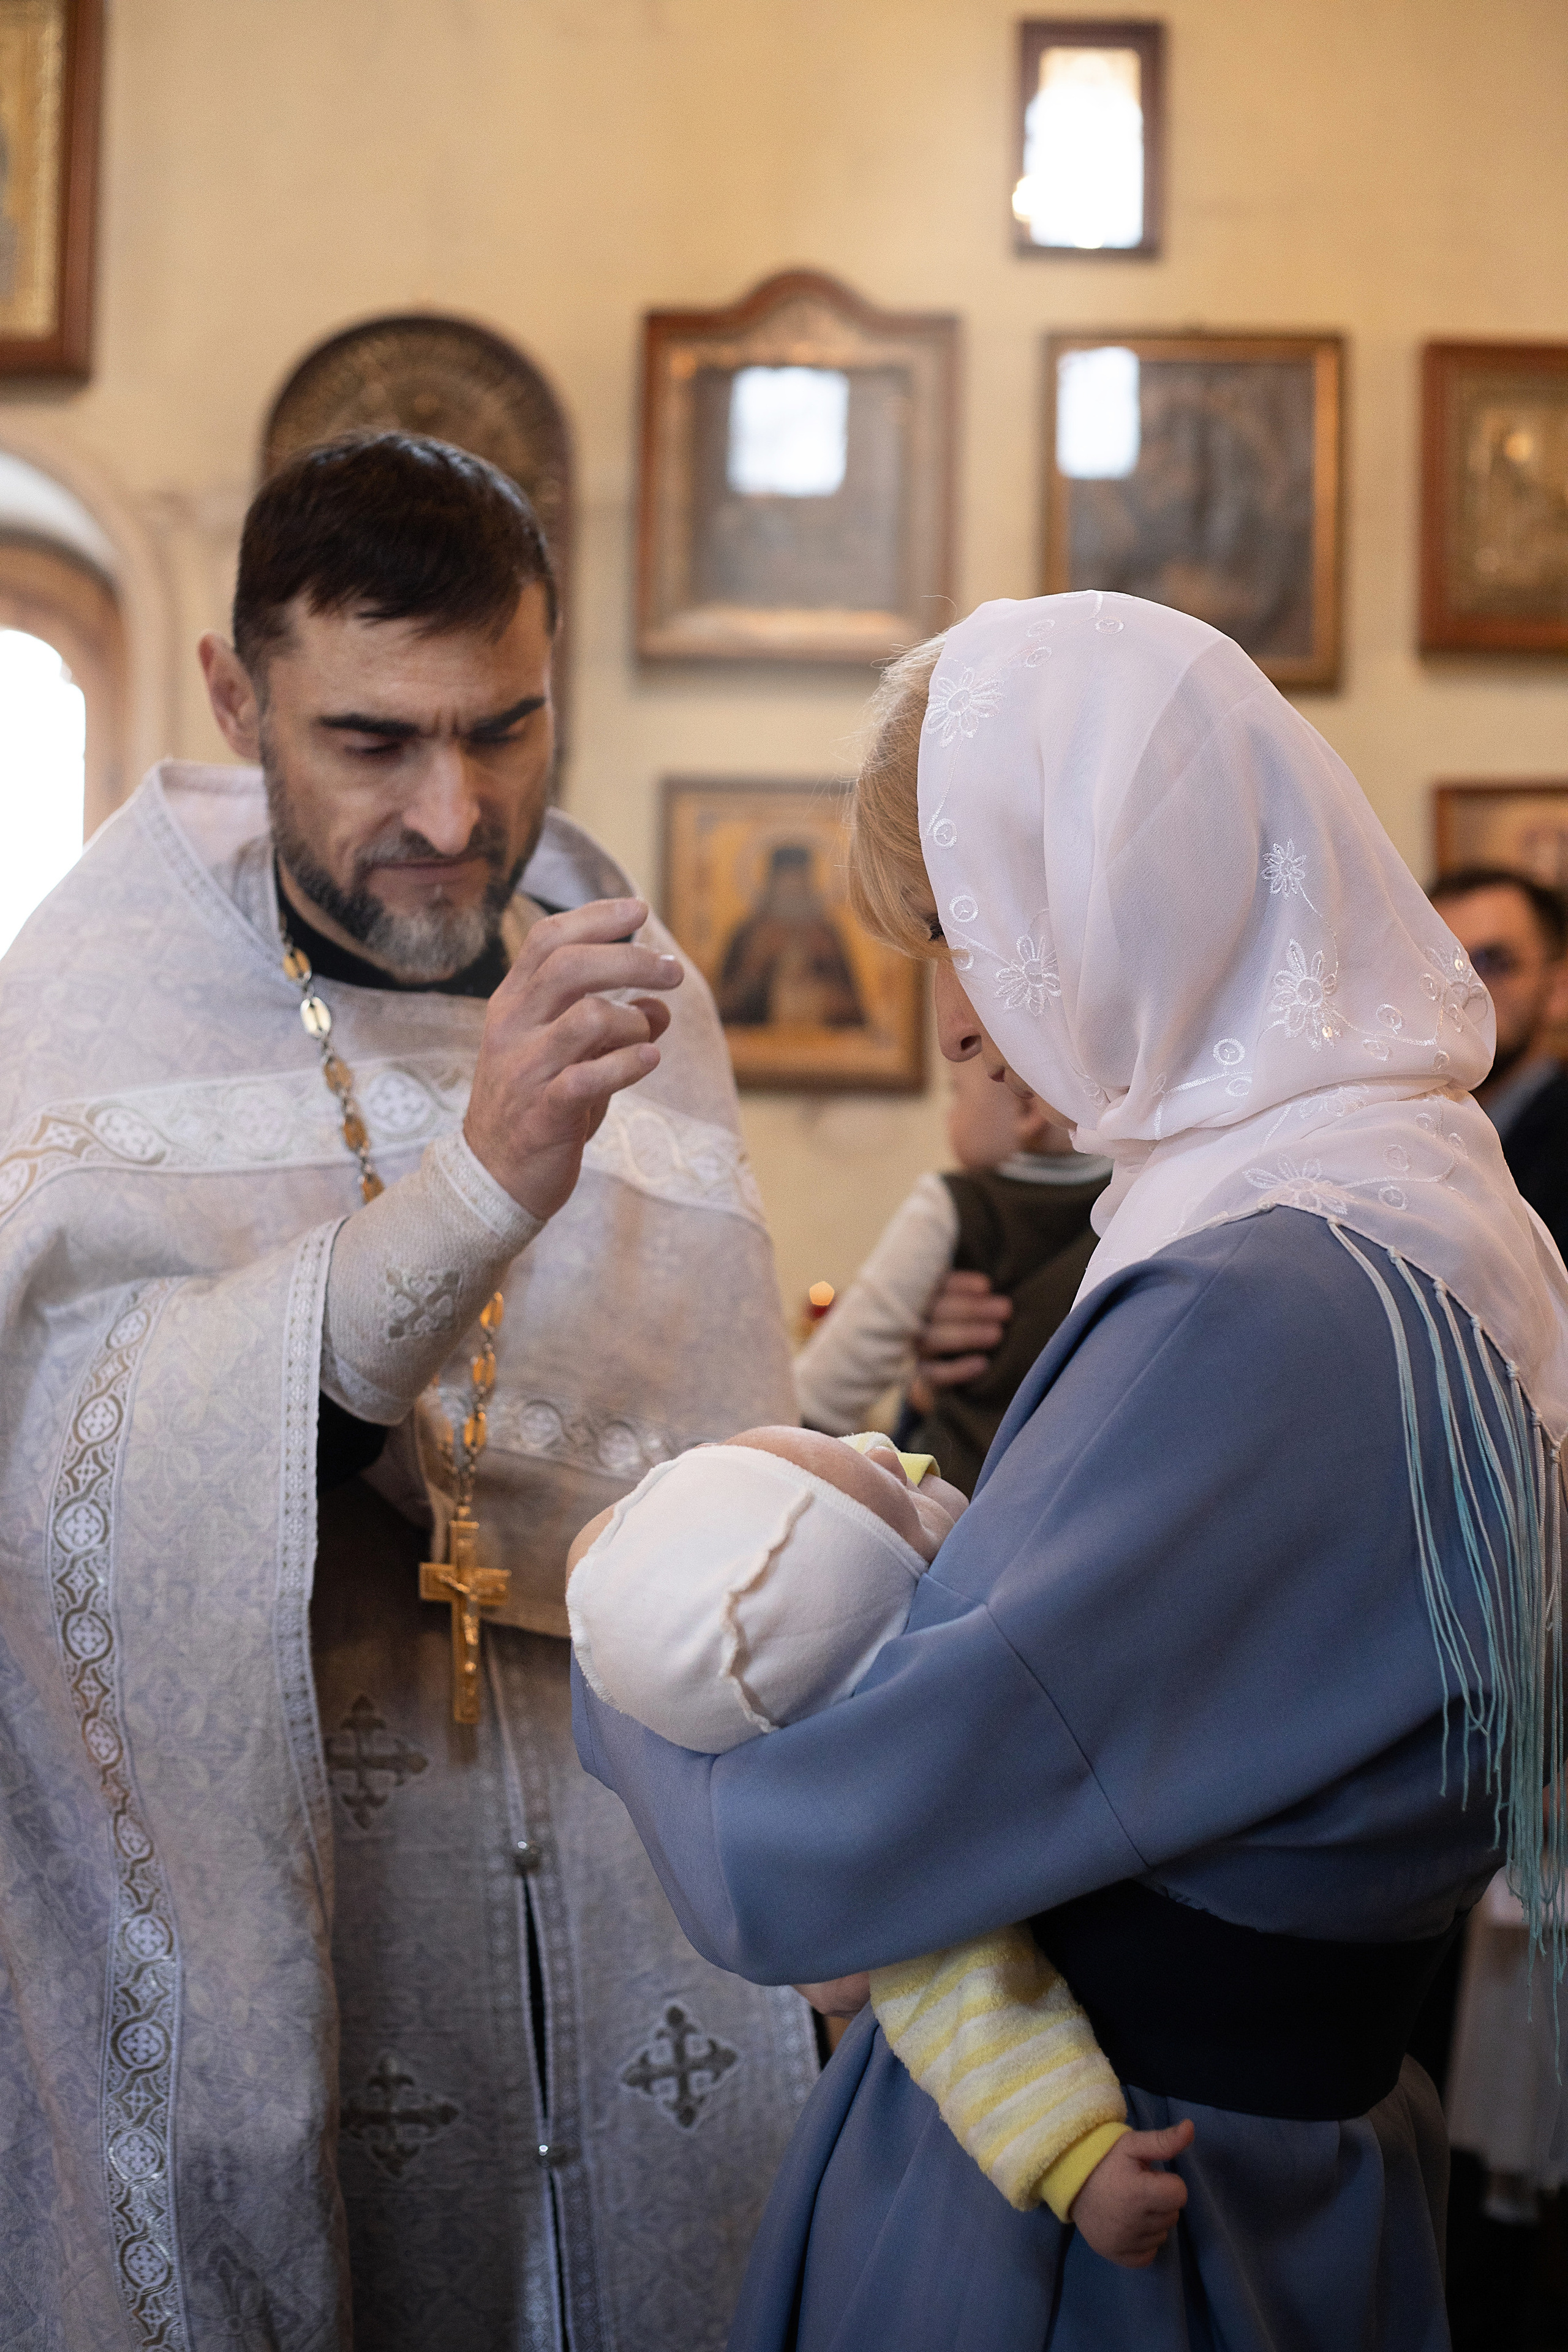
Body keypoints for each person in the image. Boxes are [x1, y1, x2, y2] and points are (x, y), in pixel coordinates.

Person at [573, 590, 1568, 2351]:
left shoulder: (1267, 1292)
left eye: (970, 930)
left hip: (1110, 2226)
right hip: (1277, 2163)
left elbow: (820, 1855)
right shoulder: (1417, 1204)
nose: (954, 1023)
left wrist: (612, 1656)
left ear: (1138, 888)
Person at [0, 433, 817, 2352]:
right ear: (233, 694)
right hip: (312, 1901)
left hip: (633, 1925)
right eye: (374, 741)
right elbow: (83, 1489)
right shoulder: (95, 1005)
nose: (455, 814)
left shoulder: (629, 986)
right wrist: (479, 1187)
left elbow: (713, 1443)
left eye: (506, 729)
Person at [565, 1421, 1191, 2261]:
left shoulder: (848, 1627)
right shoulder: (903, 1865)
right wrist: (1083, 2166)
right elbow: (982, 2030)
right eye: (897, 1491)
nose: (900, 1453)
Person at [794, 1046, 1110, 1493]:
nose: (949, 1116)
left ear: (1026, 1107)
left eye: (956, 1093)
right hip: (1071, 1493)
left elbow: (835, 1379)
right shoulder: (1129, 1201)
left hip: (956, 1493)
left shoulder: (951, 1205)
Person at [1428, 864, 1568, 1257]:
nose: (1463, 988)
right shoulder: (1398, 1130)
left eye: (1492, 961)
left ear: (1558, 991)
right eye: (1440, 964)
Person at [716, 843, 865, 1028]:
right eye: (786, 888)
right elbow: (724, 1008)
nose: (792, 895)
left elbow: (856, 1012)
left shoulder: (826, 933)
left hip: (823, 1045)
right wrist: (757, 963)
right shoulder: (749, 932)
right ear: (772, 886)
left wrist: (826, 960)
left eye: (799, 887)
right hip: (760, 1043)